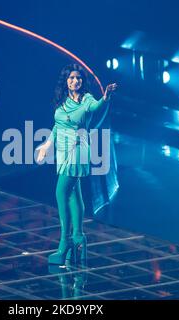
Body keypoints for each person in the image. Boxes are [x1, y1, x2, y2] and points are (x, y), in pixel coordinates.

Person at [36, 64, 117, 264]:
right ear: (66, 80)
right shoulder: (63, 100)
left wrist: (105, 97)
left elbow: (97, 107)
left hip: (77, 149)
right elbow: (57, 125)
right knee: (74, 193)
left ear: (82, 81)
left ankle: (65, 243)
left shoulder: (87, 100)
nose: (75, 81)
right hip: (62, 150)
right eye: (71, 77)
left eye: (78, 78)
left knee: (61, 192)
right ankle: (79, 237)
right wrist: (47, 145)